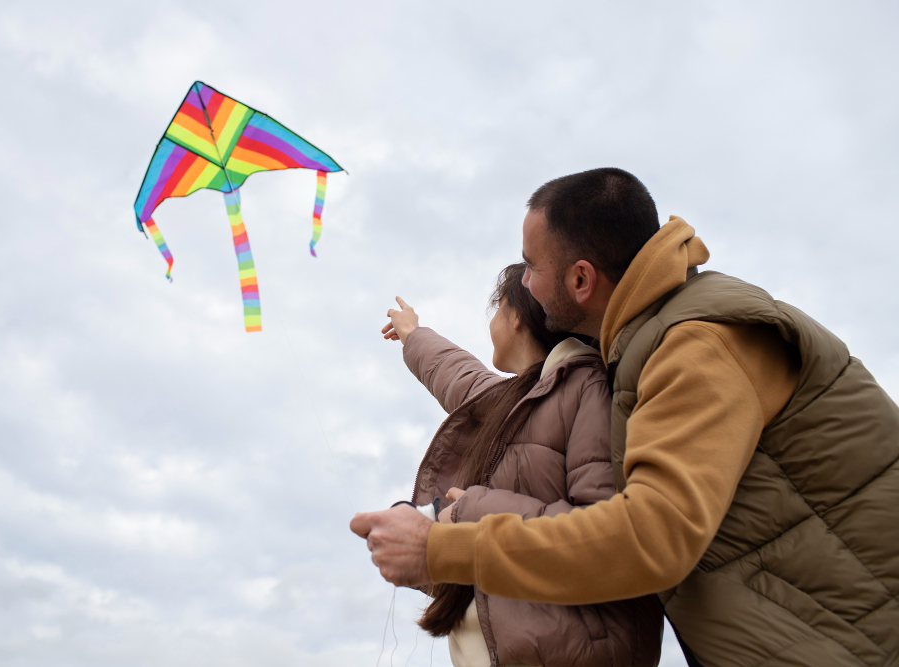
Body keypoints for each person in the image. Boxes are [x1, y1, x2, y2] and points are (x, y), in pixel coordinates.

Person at [352, 168, 899, 667]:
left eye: (533, 267)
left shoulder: (694, 344)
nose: (528, 283)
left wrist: (441, 546)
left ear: (581, 280)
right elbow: (464, 380)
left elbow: (651, 534)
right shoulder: (643, 351)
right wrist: (414, 335)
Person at [381, 263, 662, 667]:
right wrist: (413, 332)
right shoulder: (511, 400)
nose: (492, 322)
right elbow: (453, 370)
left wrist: (472, 510)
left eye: (496, 310)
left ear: (516, 317)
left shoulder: (589, 389)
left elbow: (606, 528)